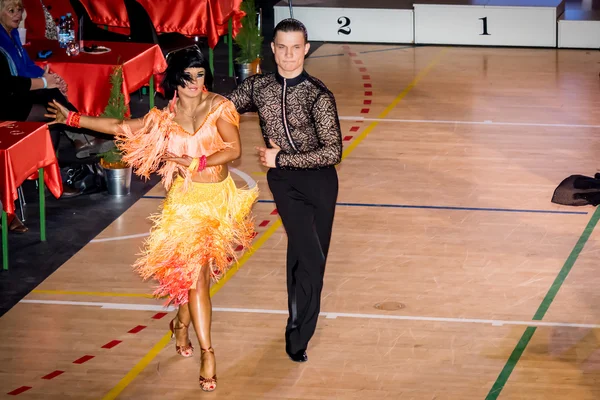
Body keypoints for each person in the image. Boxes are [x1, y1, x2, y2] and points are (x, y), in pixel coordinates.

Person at [45, 47, 258, 392]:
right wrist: (72, 119)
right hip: (185, 207)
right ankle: (208, 353)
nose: (194, 83)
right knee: (197, 280)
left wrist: (194, 162)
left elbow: (234, 150)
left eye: (200, 74)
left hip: (219, 201)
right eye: (187, 76)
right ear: (175, 79)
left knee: (198, 277)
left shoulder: (220, 106)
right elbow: (118, 125)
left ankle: (180, 324)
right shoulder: (162, 119)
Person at [227, 18, 342, 363]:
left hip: (320, 184)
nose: (288, 55)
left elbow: (333, 151)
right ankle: (299, 336)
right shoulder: (258, 87)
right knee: (311, 257)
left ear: (306, 49)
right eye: (282, 47)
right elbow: (223, 109)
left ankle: (296, 324)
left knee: (305, 260)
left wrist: (283, 157)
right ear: (272, 49)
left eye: (296, 48)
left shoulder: (318, 95)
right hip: (284, 184)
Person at [0, 0, 113, 159]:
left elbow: (26, 65)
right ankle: (84, 136)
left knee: (52, 97)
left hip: (15, 93)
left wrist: (49, 78)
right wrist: (45, 82)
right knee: (53, 111)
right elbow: (8, 84)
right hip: (5, 102)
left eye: (19, 10)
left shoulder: (12, 33)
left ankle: (79, 141)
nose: (17, 15)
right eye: (11, 11)